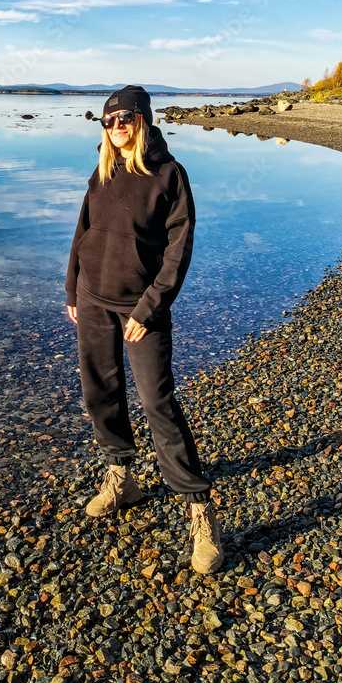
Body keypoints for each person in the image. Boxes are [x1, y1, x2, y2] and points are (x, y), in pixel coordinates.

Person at [65, 85, 223, 574]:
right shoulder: (104, 170)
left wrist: (150, 308)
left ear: (144, 120)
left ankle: (200, 510)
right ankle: (121, 477)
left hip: (140, 309)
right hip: (93, 299)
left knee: (158, 402)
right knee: (101, 392)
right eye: (108, 122)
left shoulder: (169, 175)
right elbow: (83, 230)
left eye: (125, 120)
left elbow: (178, 250)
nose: (116, 129)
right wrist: (73, 290)